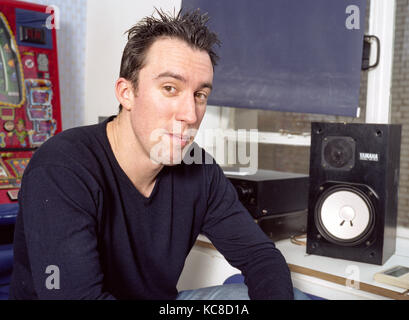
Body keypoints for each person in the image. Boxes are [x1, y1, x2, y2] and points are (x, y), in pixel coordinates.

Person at [9, 9, 305, 300]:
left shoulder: (199, 169)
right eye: (170, 88)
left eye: (200, 95)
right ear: (127, 93)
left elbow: (260, 257)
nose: (190, 114)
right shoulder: (62, 168)